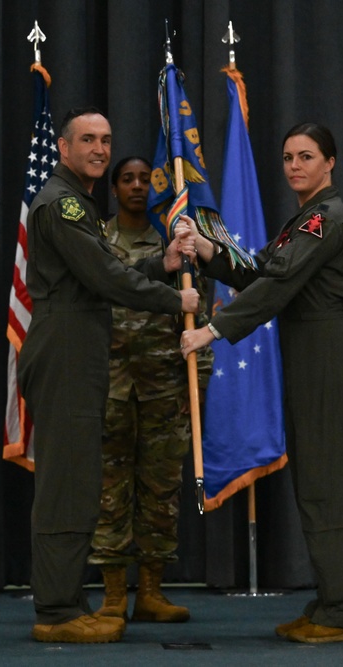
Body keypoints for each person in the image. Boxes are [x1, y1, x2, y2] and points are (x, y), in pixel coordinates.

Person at [179, 122, 343, 644]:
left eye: (306, 156)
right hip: (313, 354)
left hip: (330, 355)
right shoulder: (305, 218)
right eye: (288, 156)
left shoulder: (325, 219)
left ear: (329, 162)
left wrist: (214, 330)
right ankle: (332, 599)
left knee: (329, 486)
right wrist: (204, 247)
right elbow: (258, 268)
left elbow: (278, 284)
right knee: (316, 483)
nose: (294, 165)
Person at [17, 108, 199, 644]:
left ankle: (69, 599)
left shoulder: (76, 202)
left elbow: (102, 273)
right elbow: (105, 276)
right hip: (67, 349)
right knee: (65, 486)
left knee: (76, 482)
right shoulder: (63, 203)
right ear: (63, 146)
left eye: (106, 140)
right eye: (88, 140)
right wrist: (175, 298)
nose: (99, 149)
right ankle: (55, 611)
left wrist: (160, 265)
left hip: (77, 346)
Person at [88, 156, 212, 624]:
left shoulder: (176, 244)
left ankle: (153, 592)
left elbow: (201, 320)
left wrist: (195, 388)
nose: (137, 186)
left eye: (144, 179)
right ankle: (115, 594)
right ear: (114, 188)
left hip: (164, 389)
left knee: (161, 493)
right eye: (127, 180)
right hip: (112, 388)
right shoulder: (97, 240)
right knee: (110, 493)